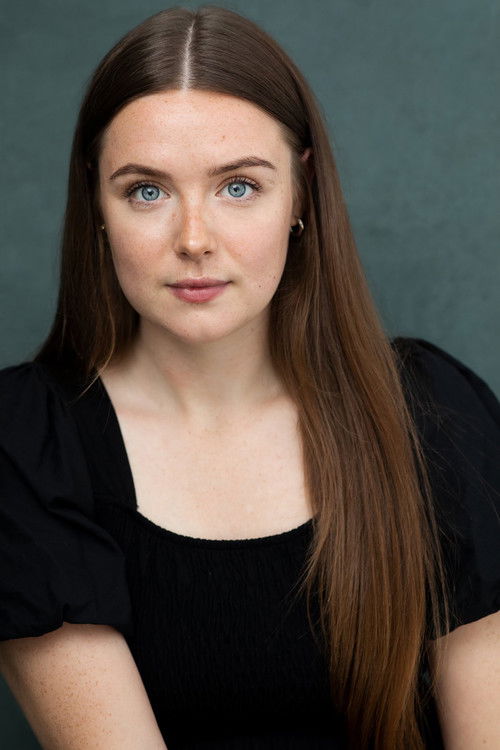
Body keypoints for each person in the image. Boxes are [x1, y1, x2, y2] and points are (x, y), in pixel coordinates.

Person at [0, 5, 498, 749]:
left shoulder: (433, 412)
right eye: (146, 191)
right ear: (96, 204)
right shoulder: (29, 448)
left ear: (300, 193)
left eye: (238, 186)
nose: (194, 240)